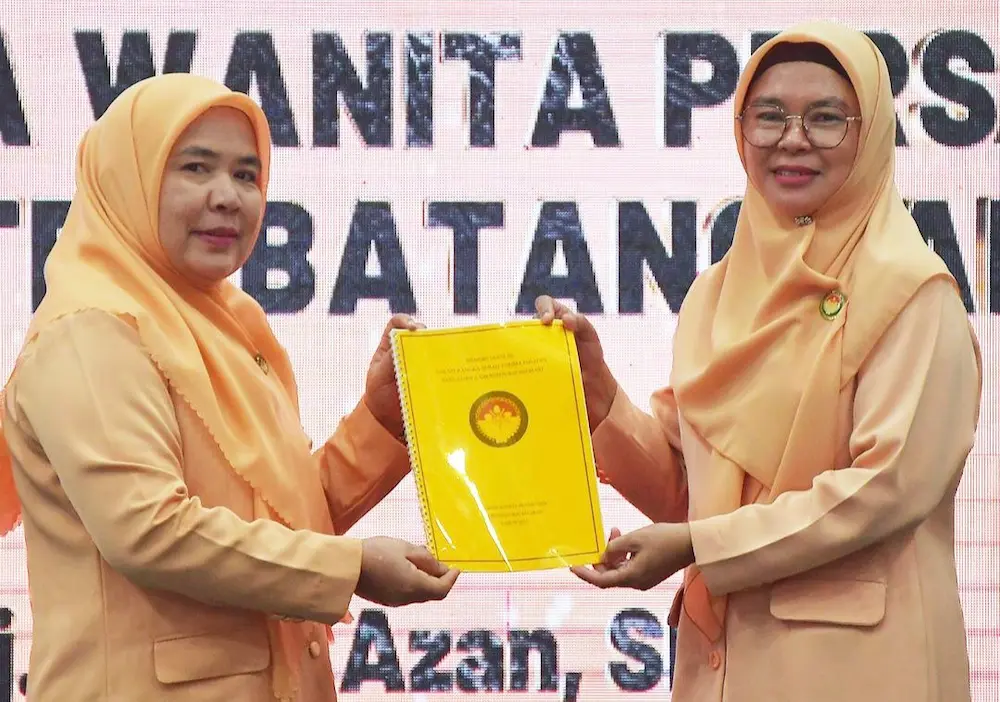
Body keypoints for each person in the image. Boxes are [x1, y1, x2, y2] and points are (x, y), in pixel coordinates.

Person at [537, 21, 981, 702]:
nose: (793, 139)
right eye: (769, 116)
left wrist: (699, 546)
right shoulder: (716, 294)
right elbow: (690, 489)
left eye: (825, 118)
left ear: (870, 136)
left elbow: (885, 489)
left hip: (860, 671)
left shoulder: (912, 292)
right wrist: (596, 396)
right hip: (724, 667)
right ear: (741, 131)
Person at [0, 74, 458, 702]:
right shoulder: (91, 331)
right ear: (127, 180)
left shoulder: (228, 326)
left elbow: (278, 517)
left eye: (247, 175)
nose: (228, 197)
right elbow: (150, 532)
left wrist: (381, 423)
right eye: (195, 168)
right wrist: (350, 567)